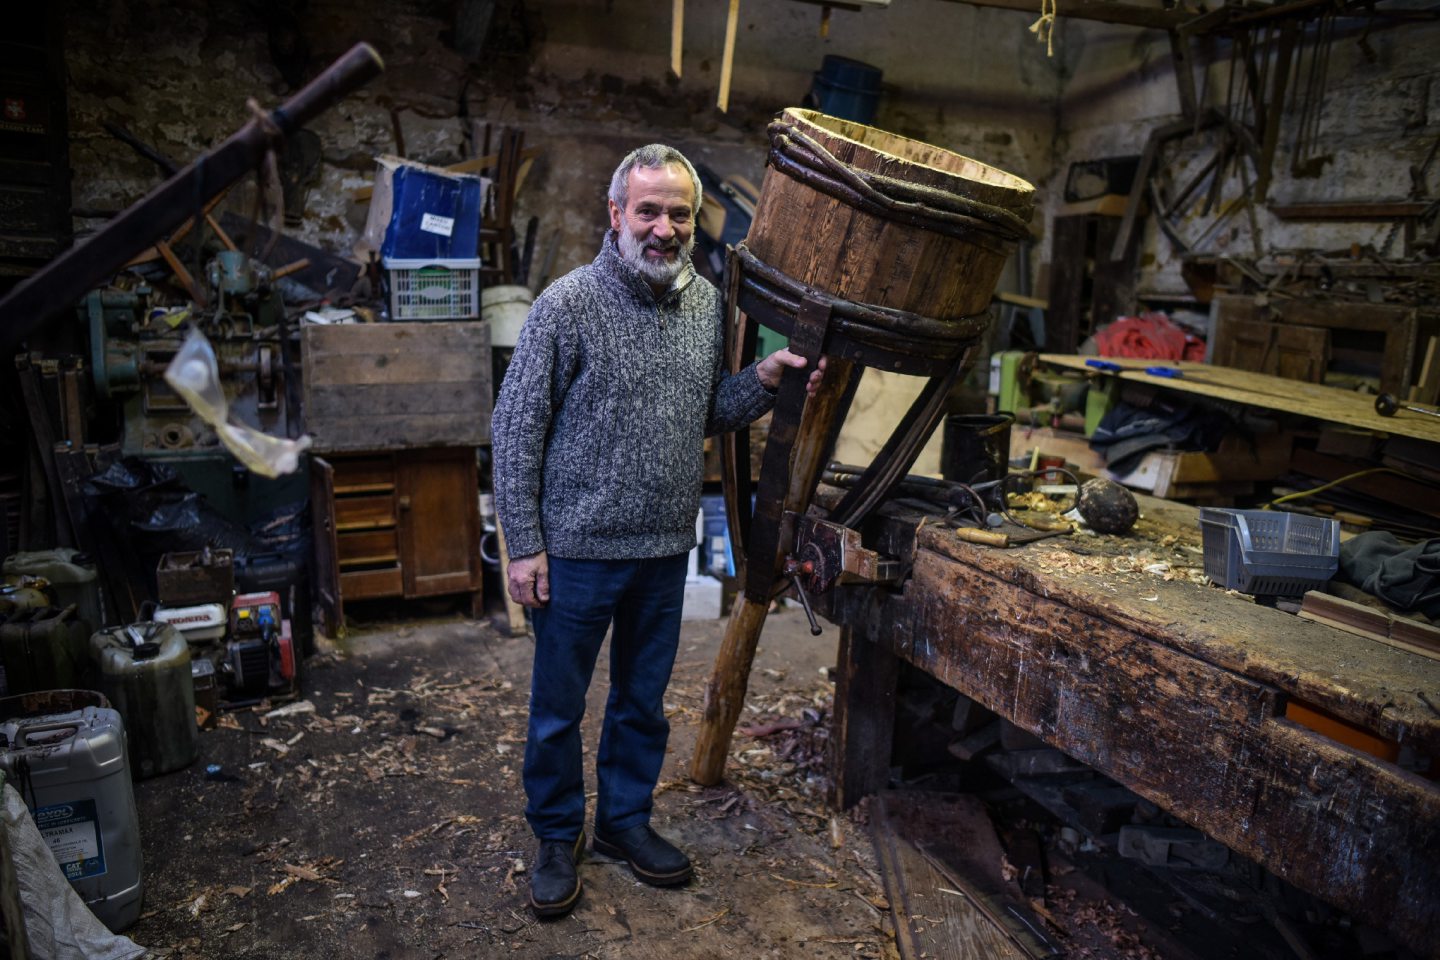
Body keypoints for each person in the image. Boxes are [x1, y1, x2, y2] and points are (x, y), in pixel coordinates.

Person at [492, 143, 822, 918]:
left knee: (641, 702)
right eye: (648, 210)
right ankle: (554, 834)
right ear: (616, 216)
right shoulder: (565, 306)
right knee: (557, 708)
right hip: (575, 550)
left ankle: (624, 825)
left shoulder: (707, 305)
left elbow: (703, 412)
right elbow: (515, 431)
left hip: (663, 549)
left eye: (679, 213)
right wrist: (524, 543)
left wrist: (763, 385)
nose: (664, 228)